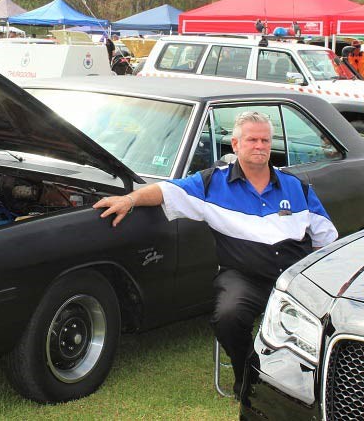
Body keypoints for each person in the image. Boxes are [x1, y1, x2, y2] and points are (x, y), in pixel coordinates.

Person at [93, 111, 337, 403]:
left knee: (327, 319)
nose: (260, 146)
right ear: (235, 144)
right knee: (228, 316)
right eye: (252, 139)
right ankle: (249, 377)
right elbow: (166, 191)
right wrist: (130, 199)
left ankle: (312, 383)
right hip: (243, 276)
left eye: (265, 140)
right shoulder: (211, 184)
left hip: (294, 275)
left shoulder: (296, 186)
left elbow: (327, 240)